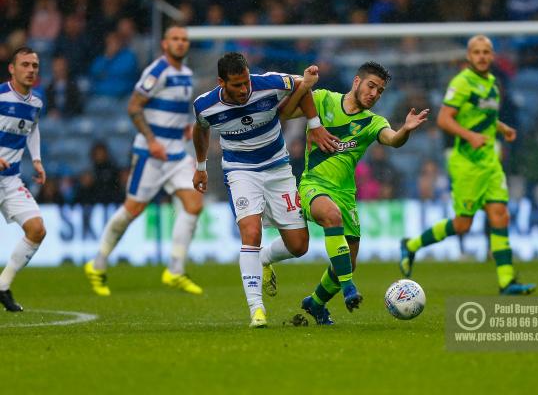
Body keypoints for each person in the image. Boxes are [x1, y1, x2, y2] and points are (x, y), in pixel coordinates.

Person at [192, 52, 337, 328]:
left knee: (299, 246)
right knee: (251, 232)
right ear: (221, 82)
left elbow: (303, 87)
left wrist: (314, 124)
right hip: (240, 171)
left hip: (278, 169)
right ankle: (257, 309)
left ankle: (264, 259)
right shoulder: (205, 105)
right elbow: (199, 130)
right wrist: (200, 165)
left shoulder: (269, 83)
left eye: (246, 82)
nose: (244, 89)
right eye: (236, 85)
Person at [279, 61, 429, 325]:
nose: (374, 94)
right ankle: (349, 289)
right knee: (331, 216)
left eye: (380, 91)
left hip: (345, 194)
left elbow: (392, 140)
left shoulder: (372, 122)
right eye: (371, 86)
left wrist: (405, 130)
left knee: (349, 260)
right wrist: (304, 88)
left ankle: (315, 303)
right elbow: (286, 112)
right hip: (313, 184)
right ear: (357, 82)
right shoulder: (324, 100)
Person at [400, 35, 536, 295]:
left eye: (487, 52)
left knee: (500, 215)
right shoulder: (461, 83)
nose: (482, 56)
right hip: (467, 164)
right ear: (469, 57)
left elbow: (485, 119)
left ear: (492, 56)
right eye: (477, 52)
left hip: (490, 162)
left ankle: (507, 281)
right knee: (464, 224)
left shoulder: (493, 85)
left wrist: (503, 128)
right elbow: (444, 119)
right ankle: (412, 245)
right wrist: (470, 136)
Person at [85, 25, 203, 296]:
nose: (180, 43)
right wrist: (151, 141)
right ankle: (98, 263)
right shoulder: (156, 71)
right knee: (132, 210)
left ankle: (175, 269)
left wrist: (186, 125)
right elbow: (134, 106)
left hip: (176, 153)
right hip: (151, 154)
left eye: (184, 39)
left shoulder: (186, 74)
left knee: (194, 205)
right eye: (175, 39)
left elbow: (178, 110)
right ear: (165, 44)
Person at [0, 47, 47, 312]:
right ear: (12, 68)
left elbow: (32, 129)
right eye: (25, 65)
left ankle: (2, 285)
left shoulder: (36, 102)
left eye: (34, 66)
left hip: (10, 179)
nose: (30, 70)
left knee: (37, 229)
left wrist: (37, 160)